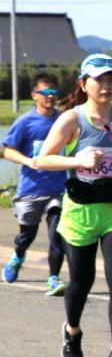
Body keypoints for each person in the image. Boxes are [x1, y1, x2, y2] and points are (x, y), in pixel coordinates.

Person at [34, 54, 112, 357]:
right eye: (99, 80)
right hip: (81, 211)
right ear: (84, 84)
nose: (107, 86)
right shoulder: (71, 120)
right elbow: (42, 160)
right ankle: (72, 330)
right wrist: (78, 161)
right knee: (81, 282)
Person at [3, 73, 68, 294]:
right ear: (34, 96)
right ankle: (18, 255)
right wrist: (28, 161)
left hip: (59, 189)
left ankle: (54, 278)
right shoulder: (25, 122)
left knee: (57, 233)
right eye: (45, 93)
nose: (50, 97)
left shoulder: (64, 120)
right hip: (31, 189)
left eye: (54, 93)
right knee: (26, 236)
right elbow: (8, 150)